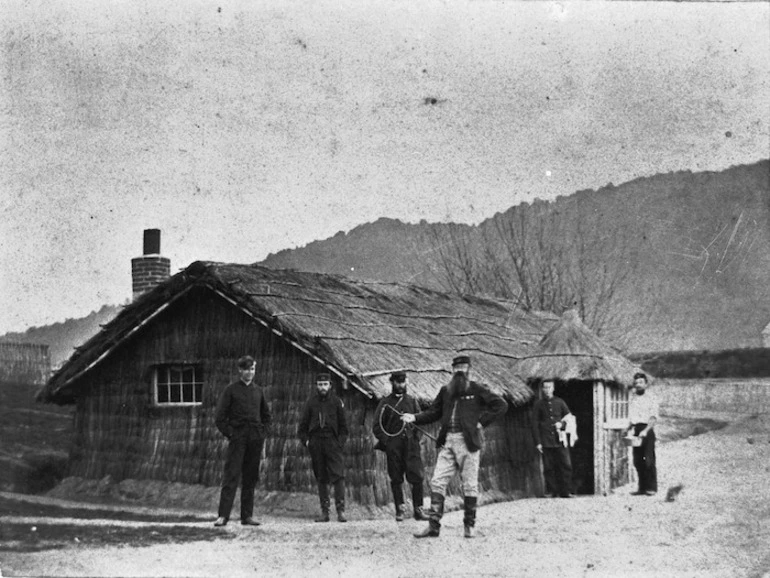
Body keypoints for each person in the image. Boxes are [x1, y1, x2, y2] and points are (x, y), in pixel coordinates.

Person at [401, 355, 507, 539]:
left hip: (469, 444)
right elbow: (433, 412)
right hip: (448, 442)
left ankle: (469, 526)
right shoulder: (445, 391)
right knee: (437, 481)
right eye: (457, 368)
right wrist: (414, 417)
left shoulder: (477, 389)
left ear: (468, 370)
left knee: (470, 486)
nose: (460, 371)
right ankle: (433, 526)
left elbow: (501, 405)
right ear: (452, 370)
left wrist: (481, 422)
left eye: (463, 368)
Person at [214, 355, 272, 527]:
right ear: (240, 370)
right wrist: (231, 433)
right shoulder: (231, 390)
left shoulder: (258, 391)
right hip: (237, 439)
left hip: (255, 439)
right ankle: (223, 516)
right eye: (246, 369)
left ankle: (246, 516)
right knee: (231, 476)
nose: (250, 372)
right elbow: (220, 417)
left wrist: (262, 433)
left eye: (252, 369)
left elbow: (267, 416)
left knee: (250, 477)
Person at [372, 371, 428, 522]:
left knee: (417, 477)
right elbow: (376, 426)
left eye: (402, 382)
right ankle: (400, 509)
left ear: (406, 382)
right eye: (397, 382)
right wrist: (387, 442)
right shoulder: (385, 403)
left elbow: (420, 422)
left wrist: (415, 439)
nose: (400, 385)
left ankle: (419, 509)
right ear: (392, 383)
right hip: (394, 446)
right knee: (396, 478)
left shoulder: (412, 401)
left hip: (411, 446)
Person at [299, 372, 349, 522]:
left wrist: (339, 444)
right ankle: (325, 512)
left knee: (338, 476)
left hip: (332, 443)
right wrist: (308, 442)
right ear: (316, 386)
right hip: (316, 443)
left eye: (325, 384)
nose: (322, 387)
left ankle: (341, 511)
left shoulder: (336, 402)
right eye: (320, 385)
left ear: (330, 386)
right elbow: (302, 428)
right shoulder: (310, 403)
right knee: (321, 477)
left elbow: (343, 428)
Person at [532, 380, 575, 498]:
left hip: (560, 440)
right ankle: (553, 491)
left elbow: (569, 419)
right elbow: (534, 424)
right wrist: (538, 442)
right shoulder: (538, 404)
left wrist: (562, 424)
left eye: (549, 387)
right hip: (546, 440)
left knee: (566, 465)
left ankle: (565, 491)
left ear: (553, 388)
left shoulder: (560, 402)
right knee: (549, 467)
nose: (547, 390)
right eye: (545, 388)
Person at [627, 372, 659, 496]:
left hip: (647, 430)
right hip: (636, 430)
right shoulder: (633, 398)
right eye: (636, 383)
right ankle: (642, 488)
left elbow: (653, 417)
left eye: (641, 382)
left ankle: (651, 488)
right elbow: (632, 417)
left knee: (648, 459)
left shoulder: (652, 398)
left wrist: (645, 431)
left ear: (646, 384)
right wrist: (628, 428)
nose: (638, 385)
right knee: (637, 460)